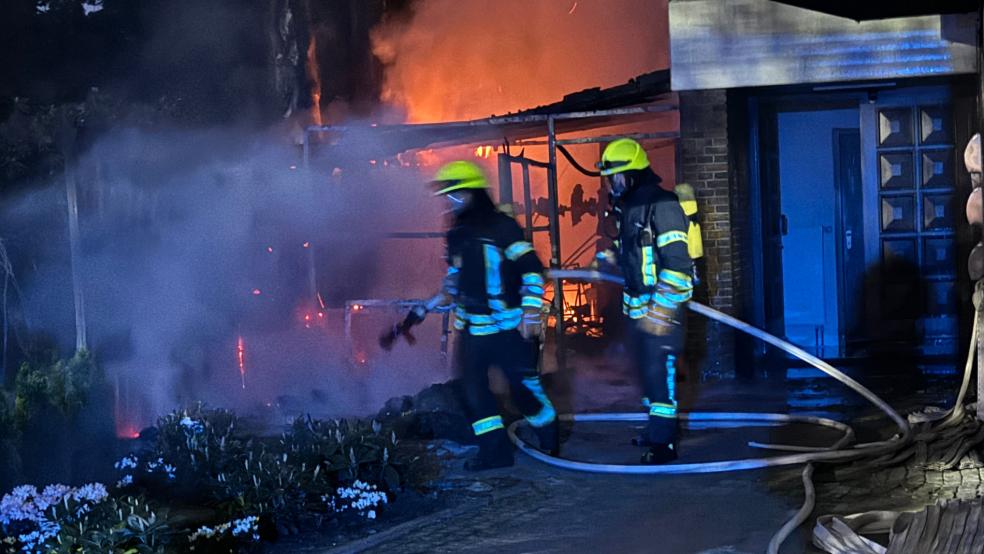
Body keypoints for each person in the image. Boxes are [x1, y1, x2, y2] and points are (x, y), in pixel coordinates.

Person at [409, 160, 559, 471]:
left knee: (523, 390)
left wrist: (530, 314)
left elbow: (531, 270)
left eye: (456, 195)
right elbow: (456, 277)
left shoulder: (502, 227)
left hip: (509, 329)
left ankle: (549, 437)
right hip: (473, 330)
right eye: (447, 197)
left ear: (473, 194)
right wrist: (429, 304)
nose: (450, 203)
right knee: (473, 393)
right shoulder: (457, 234)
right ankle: (495, 454)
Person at [596, 139, 693, 464]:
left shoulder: (663, 204)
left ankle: (664, 446)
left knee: (659, 377)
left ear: (634, 174)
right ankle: (655, 430)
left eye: (618, 177)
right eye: (611, 179)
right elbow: (637, 256)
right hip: (638, 313)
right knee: (645, 377)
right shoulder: (630, 209)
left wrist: (661, 311)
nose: (614, 184)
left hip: (662, 314)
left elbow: (678, 265)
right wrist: (611, 258)